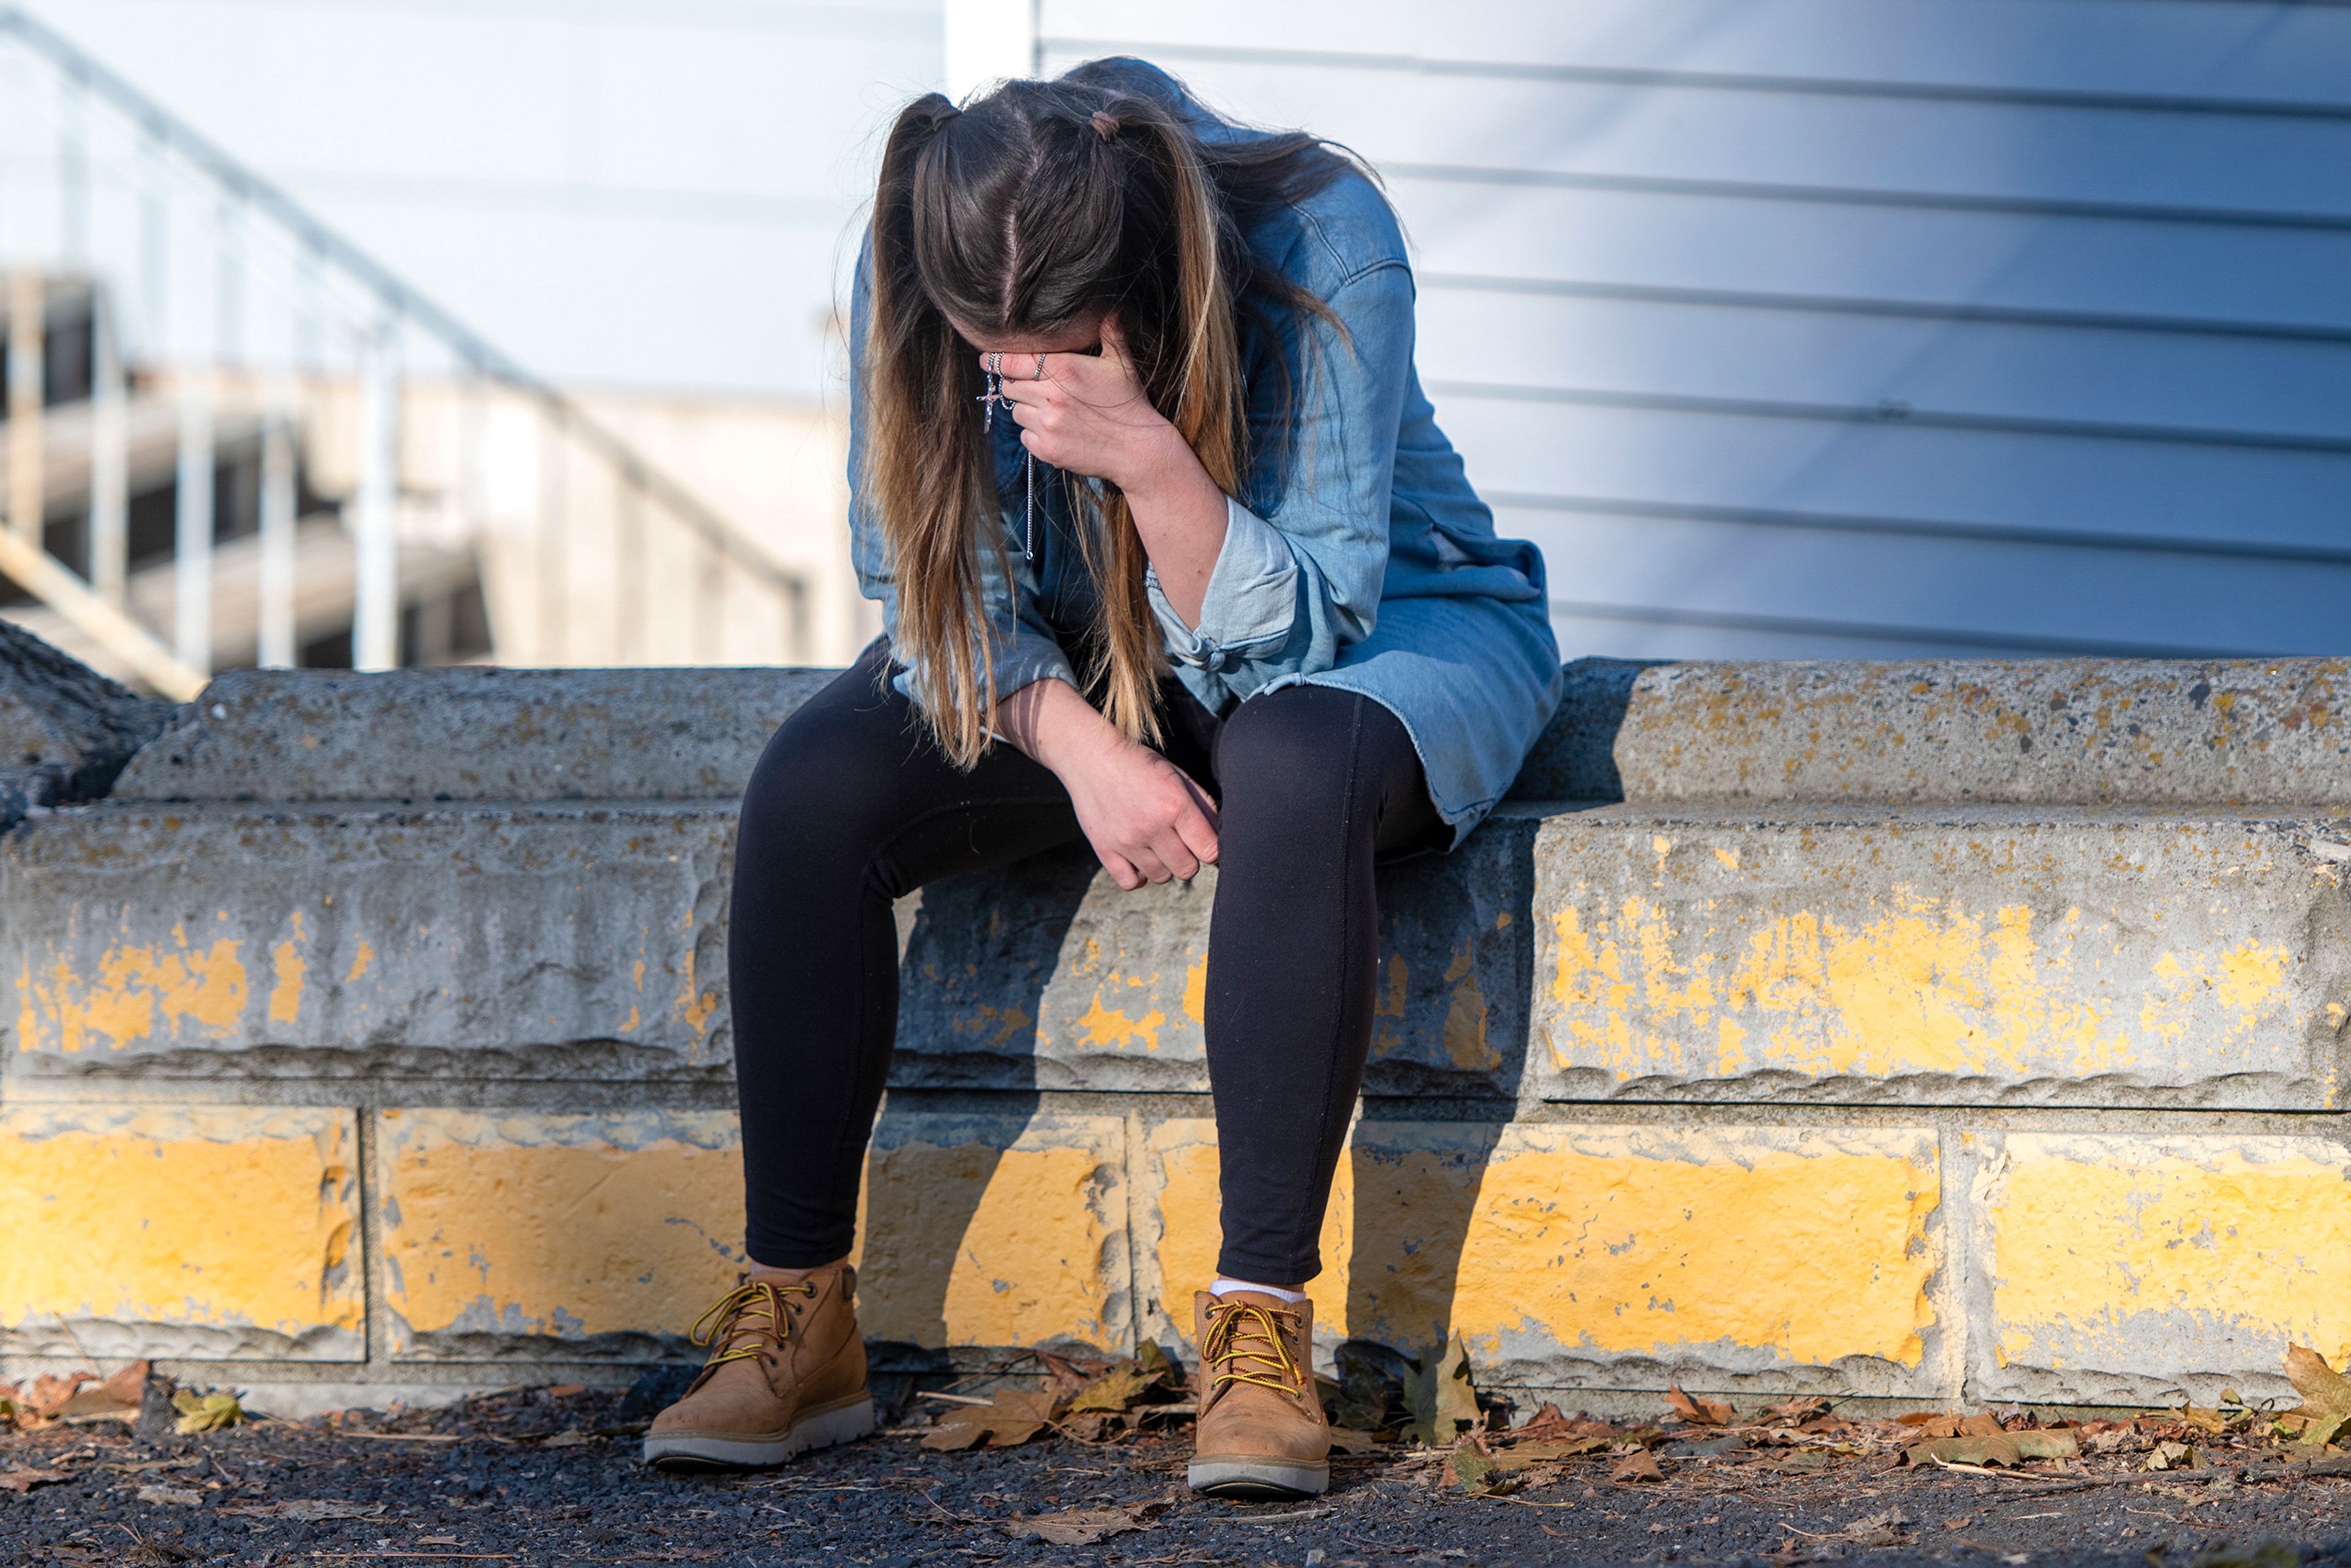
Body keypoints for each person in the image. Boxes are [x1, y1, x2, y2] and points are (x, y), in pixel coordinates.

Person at [642, 58, 1562, 1498]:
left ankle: (1259, 1332)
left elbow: (1307, 623)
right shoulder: (922, 252)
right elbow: (924, 583)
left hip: (1385, 636)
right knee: (813, 788)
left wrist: (1150, 463)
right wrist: (1085, 751)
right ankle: (799, 1315)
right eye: (984, 348)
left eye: (1055, 346)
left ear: (1137, 280)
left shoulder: (1322, 234)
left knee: (1297, 766)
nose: (1014, 378)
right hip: (1091, 659)